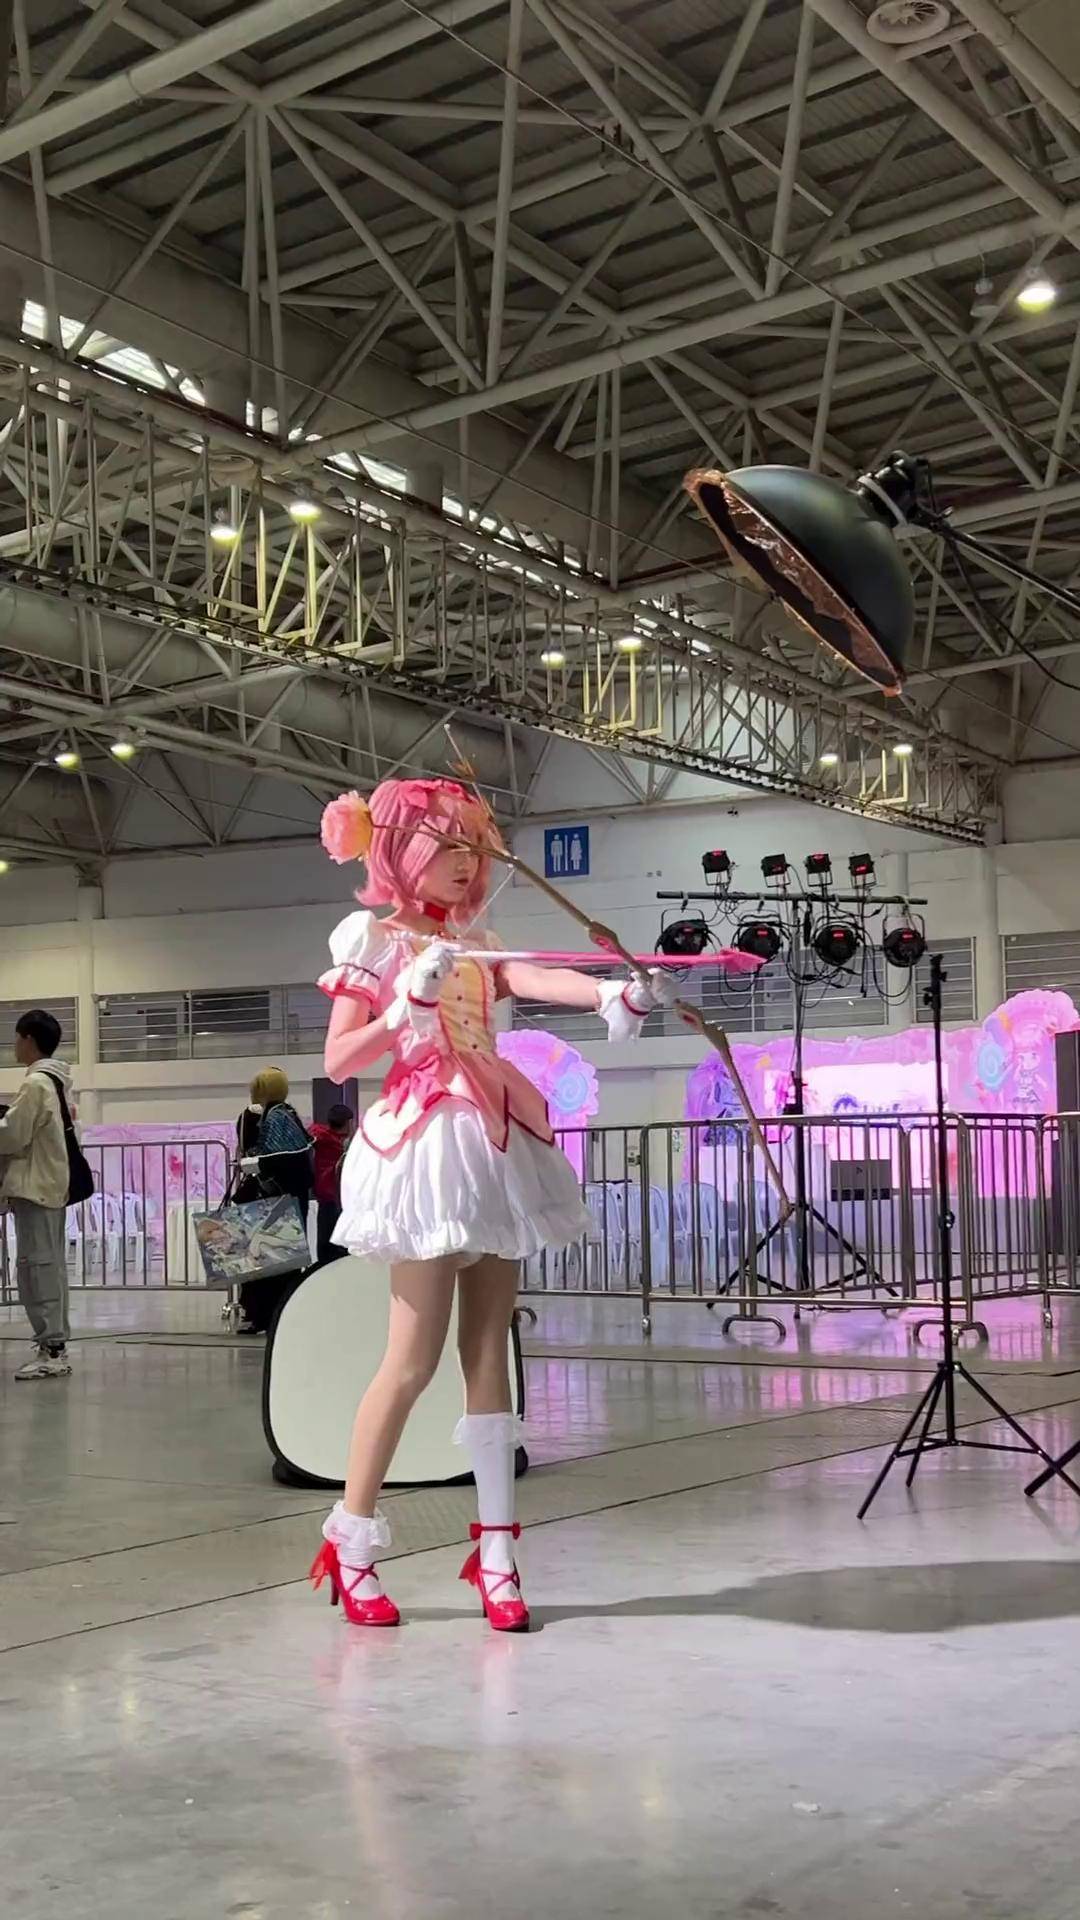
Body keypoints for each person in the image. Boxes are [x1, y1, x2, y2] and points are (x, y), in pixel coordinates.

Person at [309, 778, 674, 1634]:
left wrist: (610, 993)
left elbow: (529, 975)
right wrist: (408, 1003)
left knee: (488, 1356)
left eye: (473, 845)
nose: (466, 861)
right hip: (425, 1144)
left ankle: (499, 1553)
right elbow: (338, 1061)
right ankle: (351, 1544)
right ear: (400, 850)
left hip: (494, 1138)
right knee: (412, 1360)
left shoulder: (476, 941)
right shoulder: (373, 938)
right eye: (447, 844)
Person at [0, 1008, 74, 1381]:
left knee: (38, 1269)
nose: (14, 1045)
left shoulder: (36, 1084)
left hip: (36, 1188)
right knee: (49, 1267)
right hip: (49, 1187)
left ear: (28, 1039)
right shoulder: (56, 1081)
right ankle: (53, 1345)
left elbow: (12, 1135)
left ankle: (53, 1349)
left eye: (17, 1037)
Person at [233, 1067, 314, 1334]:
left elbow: (267, 1156)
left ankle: (262, 1314)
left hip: (271, 1199)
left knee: (264, 1259)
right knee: (280, 1260)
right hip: (286, 1198)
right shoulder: (285, 1115)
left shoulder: (269, 1117)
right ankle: (276, 1314)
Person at [310, 1102, 354, 1265]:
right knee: (339, 1247)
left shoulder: (319, 1139)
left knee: (324, 1243)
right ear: (349, 1122)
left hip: (323, 1197)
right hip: (337, 1197)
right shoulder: (340, 1146)